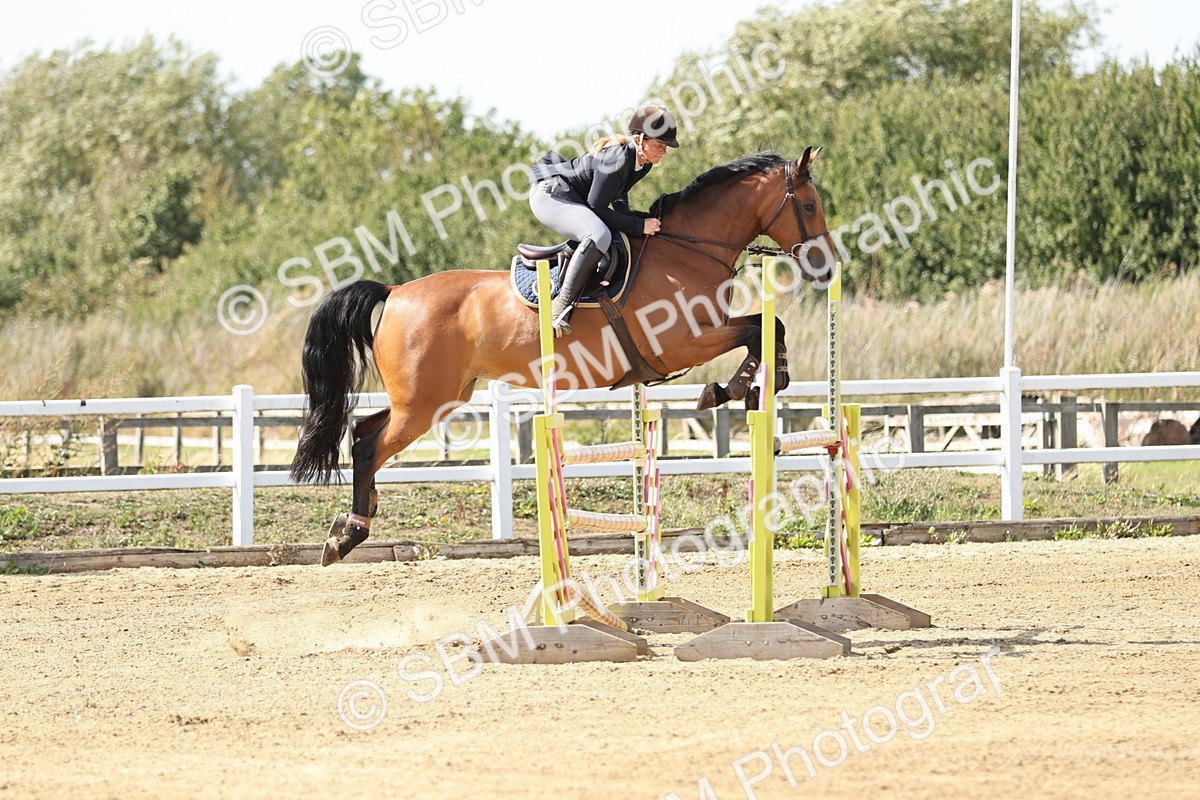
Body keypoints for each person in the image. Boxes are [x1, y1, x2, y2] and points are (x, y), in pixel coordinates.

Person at [529, 104, 680, 336]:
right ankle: (560, 305)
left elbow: (618, 200)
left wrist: (641, 221)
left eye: (666, 147)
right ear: (639, 139)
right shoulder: (617, 159)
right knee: (598, 234)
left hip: (570, 197)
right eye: (660, 145)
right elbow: (596, 207)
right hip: (550, 195)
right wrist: (640, 225)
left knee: (615, 231)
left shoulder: (641, 163)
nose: (664, 152)